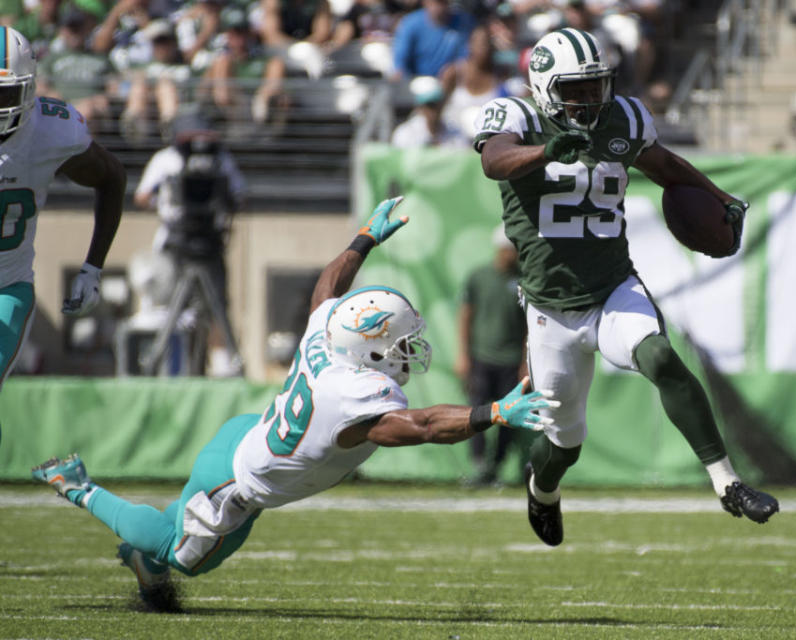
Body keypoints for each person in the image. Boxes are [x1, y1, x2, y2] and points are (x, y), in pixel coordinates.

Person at [32, 196, 559, 612]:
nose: (409, 351)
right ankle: (79, 486)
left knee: (190, 533)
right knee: (182, 556)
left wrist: (364, 238)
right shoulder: (356, 392)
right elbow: (420, 426)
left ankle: (140, 557)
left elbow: (328, 284)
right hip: (239, 479)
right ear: (370, 347)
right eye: (399, 343)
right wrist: (491, 413)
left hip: (250, 437)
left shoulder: (328, 334)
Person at [472, 28, 779, 547]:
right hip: (551, 307)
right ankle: (541, 488)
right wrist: (547, 151)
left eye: (597, 86)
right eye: (577, 88)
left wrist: (717, 195)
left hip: (614, 285)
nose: (591, 99)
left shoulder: (624, 117)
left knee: (660, 357)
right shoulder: (517, 118)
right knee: (564, 445)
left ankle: (726, 481)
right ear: (546, 87)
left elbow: (665, 166)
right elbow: (493, 161)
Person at [0, 26, 126, 411]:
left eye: (4, 93)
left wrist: (92, 268)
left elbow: (111, 177)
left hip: (6, 287)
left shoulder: (52, 132)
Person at [133, 112, 247, 376]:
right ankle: (166, 367)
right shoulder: (165, 160)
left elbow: (240, 195)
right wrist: (168, 203)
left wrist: (221, 201)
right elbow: (142, 196)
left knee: (216, 304)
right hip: (174, 244)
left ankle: (222, 365)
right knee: (169, 308)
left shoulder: (221, 158)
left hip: (210, 243)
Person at [455, 225, 527, 486]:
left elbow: (530, 325)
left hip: (511, 361)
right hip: (481, 358)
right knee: (477, 413)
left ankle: (495, 468)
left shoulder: (524, 280)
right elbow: (465, 316)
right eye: (511, 250)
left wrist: (525, 363)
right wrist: (463, 356)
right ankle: (479, 467)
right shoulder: (479, 277)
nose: (514, 255)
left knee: (509, 417)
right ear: (501, 249)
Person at [390, 0, 475, 79]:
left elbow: (469, 57)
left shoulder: (465, 22)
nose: (438, 7)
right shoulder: (410, 24)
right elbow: (400, 63)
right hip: (418, 82)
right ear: (425, 2)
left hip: (454, 82)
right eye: (435, 2)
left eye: (442, 2)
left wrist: (456, 68)